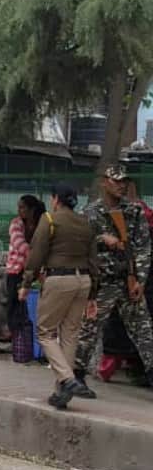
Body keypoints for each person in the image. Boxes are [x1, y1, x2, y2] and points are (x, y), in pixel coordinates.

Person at [74, 165, 153, 393]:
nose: (122, 185)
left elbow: (144, 248)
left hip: (128, 281)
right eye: (116, 181)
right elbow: (80, 245)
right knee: (90, 328)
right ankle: (77, 377)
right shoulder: (89, 214)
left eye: (124, 181)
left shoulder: (134, 212)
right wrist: (101, 239)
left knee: (144, 330)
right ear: (104, 183)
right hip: (103, 283)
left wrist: (139, 279)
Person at [20, 184, 99, 410]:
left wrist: (26, 283)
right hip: (83, 281)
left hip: (59, 279)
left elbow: (37, 254)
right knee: (70, 334)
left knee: (44, 332)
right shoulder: (85, 223)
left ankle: (67, 378)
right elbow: (94, 261)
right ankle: (61, 392)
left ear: (56, 200)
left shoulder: (50, 220)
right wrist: (93, 293)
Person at [6, 195, 46, 345]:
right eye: (19, 207)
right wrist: (38, 259)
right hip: (16, 270)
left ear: (32, 209)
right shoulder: (16, 224)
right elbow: (20, 245)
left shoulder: (41, 224)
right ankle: (16, 340)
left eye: (22, 207)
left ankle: (30, 339)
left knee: (30, 307)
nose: (19, 210)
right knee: (14, 305)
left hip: (34, 271)